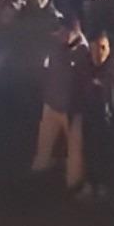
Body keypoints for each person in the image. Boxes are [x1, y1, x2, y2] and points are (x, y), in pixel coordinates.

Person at [72, 31, 114, 200]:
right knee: (90, 155)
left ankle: (108, 189)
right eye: (94, 48)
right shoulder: (84, 67)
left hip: (110, 127)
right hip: (90, 123)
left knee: (109, 159)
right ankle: (90, 184)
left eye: (102, 48)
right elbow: (77, 92)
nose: (98, 53)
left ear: (109, 47)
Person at [30, 16, 88, 189]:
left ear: (74, 31)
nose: (59, 35)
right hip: (51, 105)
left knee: (74, 153)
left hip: (72, 110)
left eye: (63, 31)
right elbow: (45, 71)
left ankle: (73, 185)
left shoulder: (83, 52)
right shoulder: (54, 47)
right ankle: (38, 177)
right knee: (44, 147)